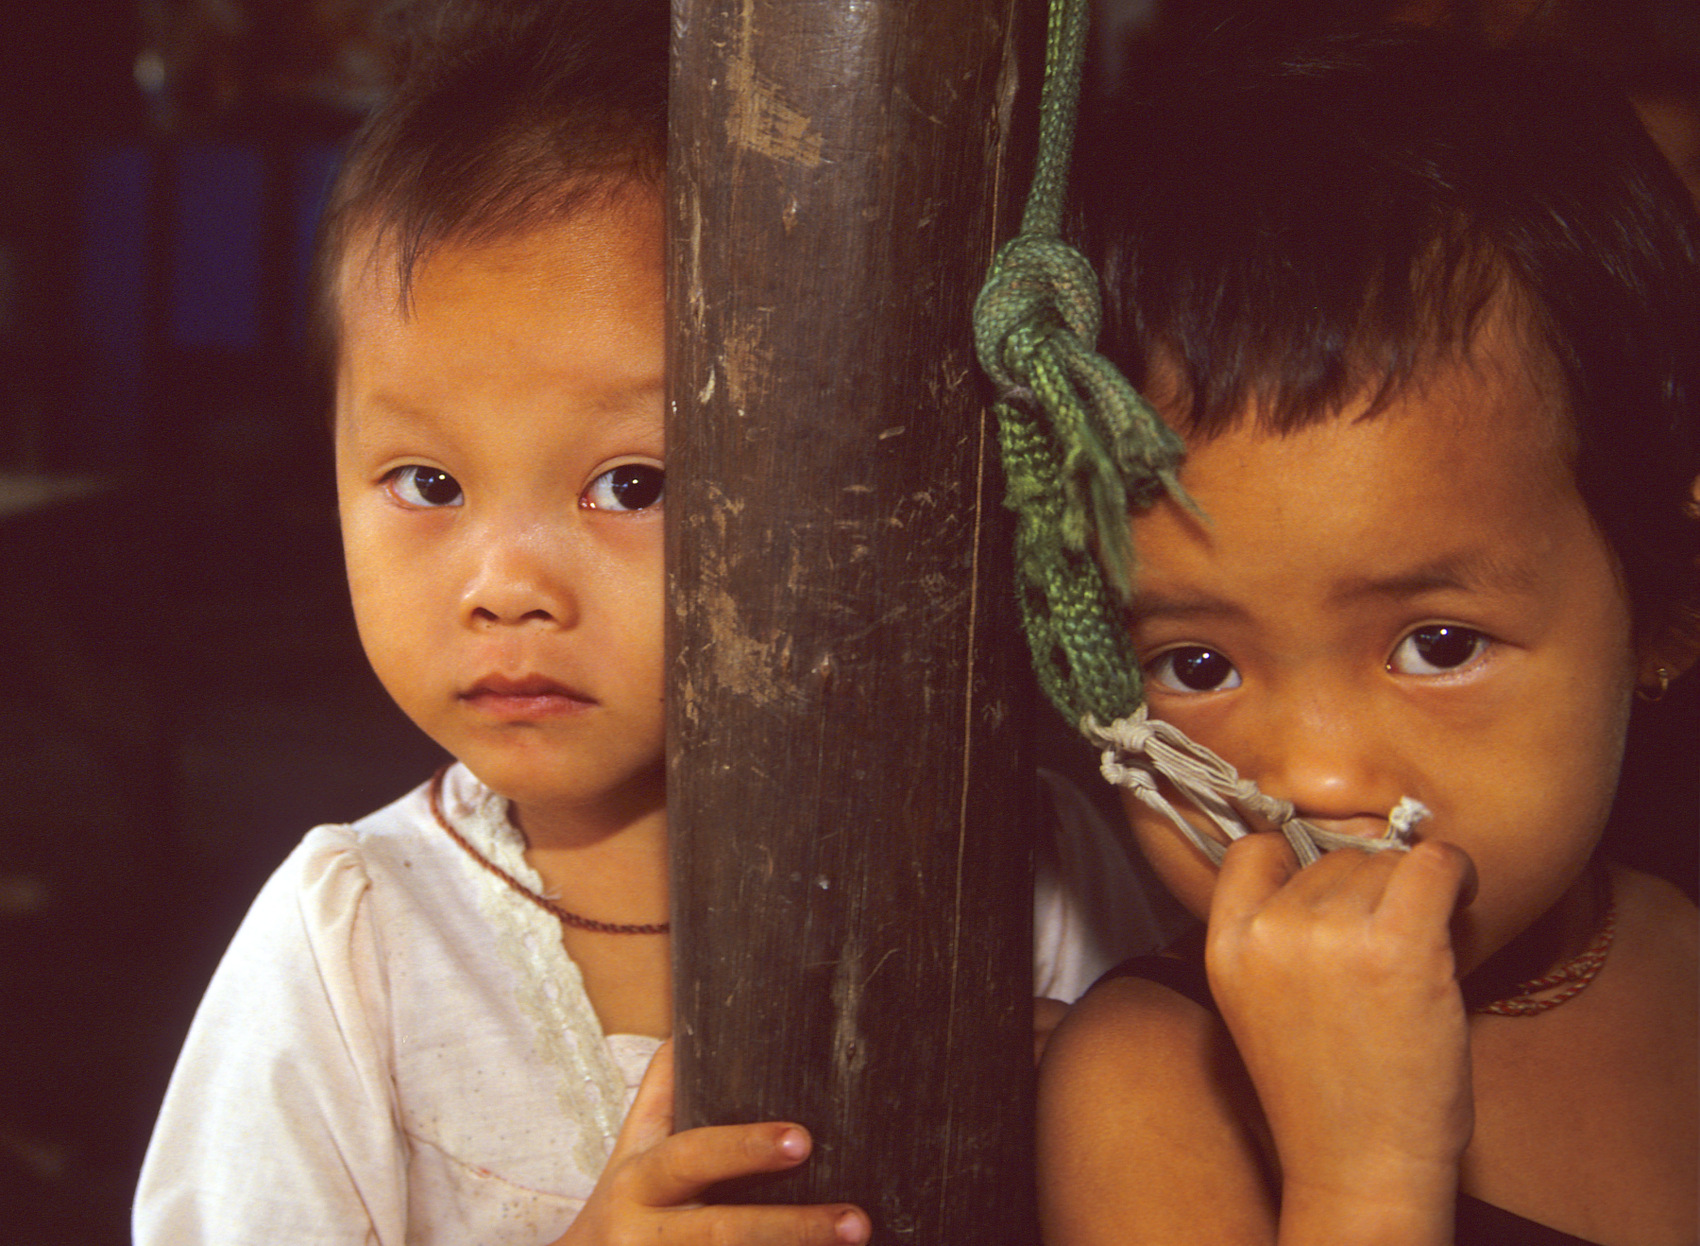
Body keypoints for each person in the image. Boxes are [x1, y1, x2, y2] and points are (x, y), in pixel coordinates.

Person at [131, 1, 1147, 1242]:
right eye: (426, 483)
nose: (503, 587)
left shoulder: (1022, 873)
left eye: (631, 483)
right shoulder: (355, 946)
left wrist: (1102, 1113)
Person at [1038, 25, 1699, 1246]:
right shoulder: (1153, 1088)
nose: (1321, 779)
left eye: (1438, 645)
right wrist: (1363, 1179)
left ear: (1663, 610)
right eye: (1195, 666)